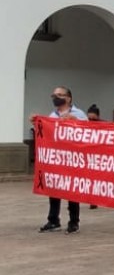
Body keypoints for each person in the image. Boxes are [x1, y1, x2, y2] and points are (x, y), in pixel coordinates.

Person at [34, 86, 87, 234]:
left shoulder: (79, 113)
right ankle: (53, 220)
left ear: (68, 98)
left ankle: (74, 222)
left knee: (72, 191)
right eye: (54, 95)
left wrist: (75, 121)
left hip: (74, 159)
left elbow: (90, 133)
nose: (55, 97)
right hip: (57, 159)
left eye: (59, 95)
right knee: (54, 189)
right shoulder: (52, 115)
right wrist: (37, 123)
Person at [87, 104, 102, 208]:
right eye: (89, 118)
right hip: (87, 156)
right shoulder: (84, 123)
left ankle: (94, 200)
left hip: (99, 156)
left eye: (94, 118)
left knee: (96, 179)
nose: (91, 120)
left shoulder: (104, 124)